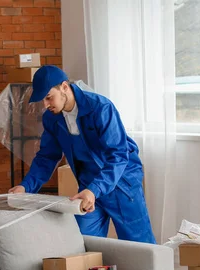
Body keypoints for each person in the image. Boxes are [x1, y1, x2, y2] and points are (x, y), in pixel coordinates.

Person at [9, 65, 155, 244]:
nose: (46, 105)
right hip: (87, 186)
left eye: (49, 98)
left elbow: (118, 155)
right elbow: (47, 156)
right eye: (43, 101)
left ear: (64, 87)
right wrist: (26, 187)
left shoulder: (101, 108)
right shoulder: (52, 118)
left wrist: (95, 190)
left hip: (121, 183)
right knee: (83, 243)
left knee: (140, 246)